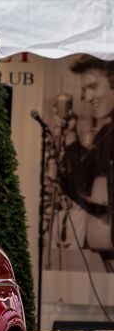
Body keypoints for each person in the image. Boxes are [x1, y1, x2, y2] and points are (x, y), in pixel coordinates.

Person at [58, 56, 114, 259]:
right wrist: (72, 137)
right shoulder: (106, 133)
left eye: (92, 86)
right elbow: (80, 182)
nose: (87, 97)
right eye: (84, 90)